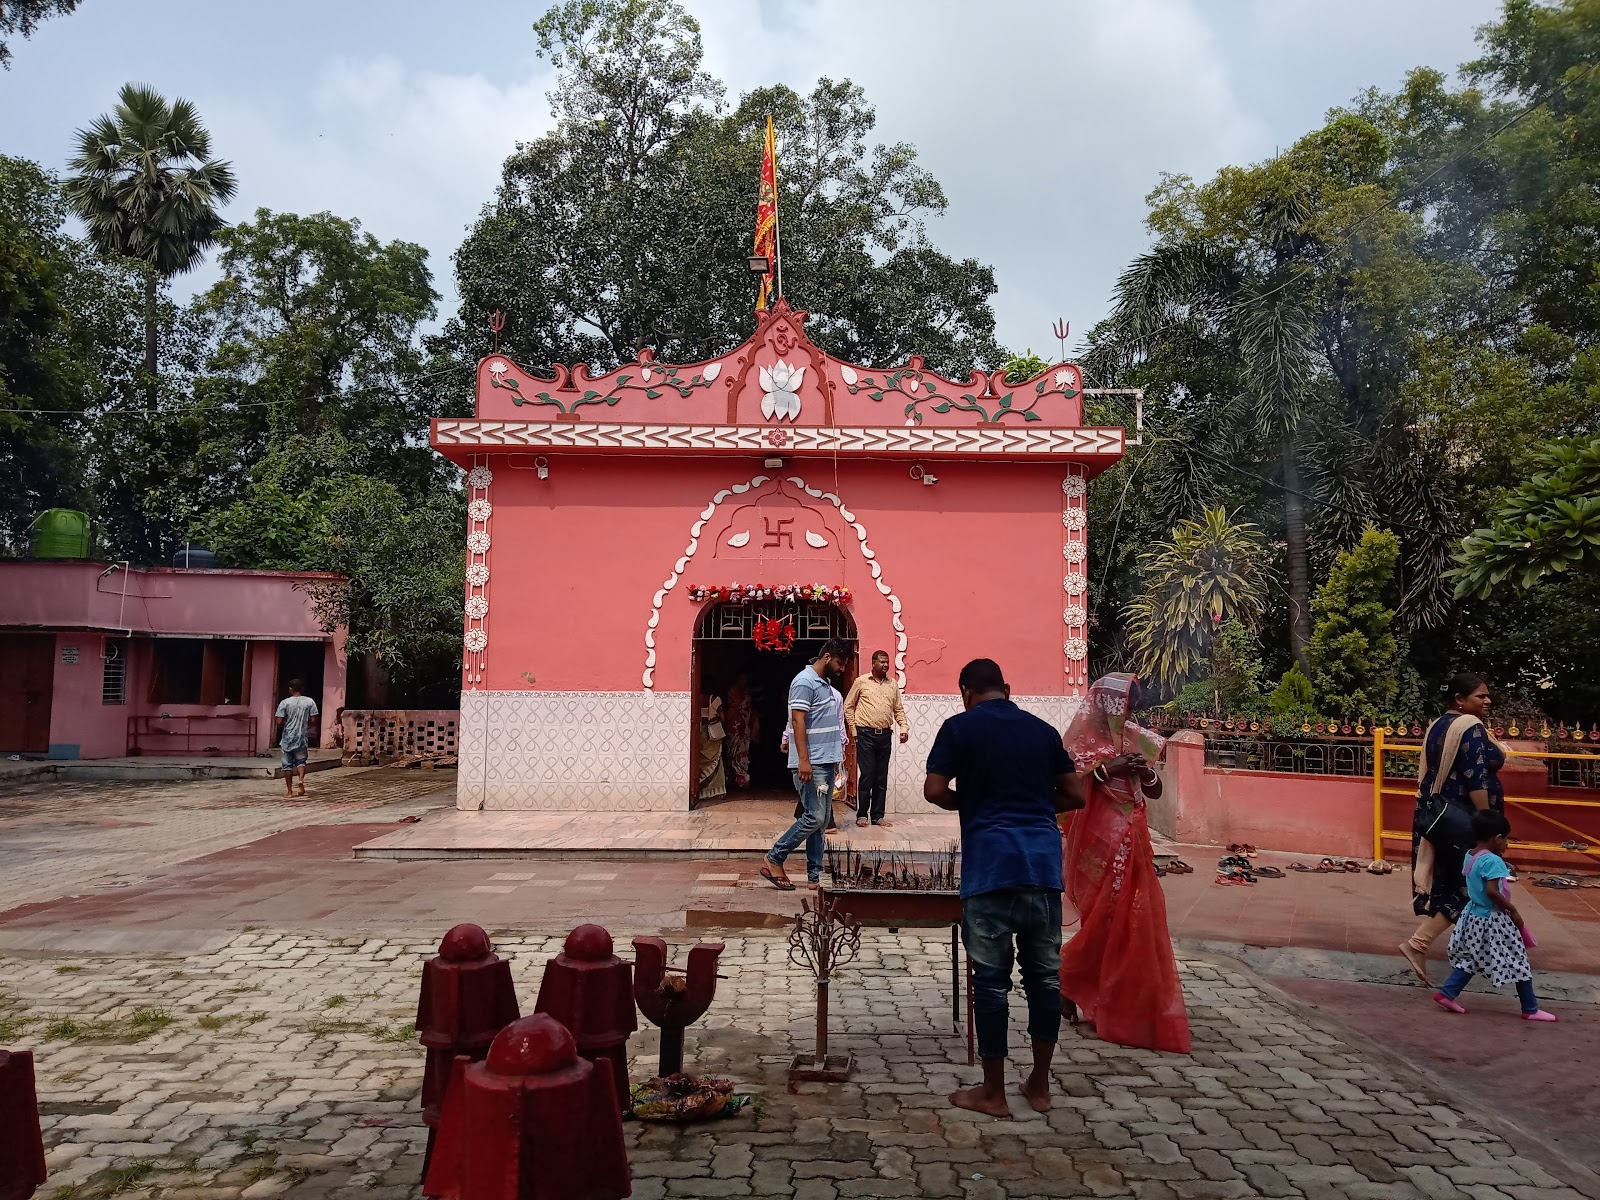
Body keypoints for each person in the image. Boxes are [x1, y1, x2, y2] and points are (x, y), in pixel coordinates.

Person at [924, 658, 1086, 1117]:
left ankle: (993, 1092)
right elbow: (1075, 795)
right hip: (1040, 868)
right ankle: (1039, 1084)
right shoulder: (1042, 731)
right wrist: (1035, 805)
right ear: (1007, 688)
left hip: (990, 868)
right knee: (1044, 978)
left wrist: (973, 803)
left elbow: (934, 790)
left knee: (991, 982)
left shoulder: (959, 727)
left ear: (965, 692)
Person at [1059, 673, 1191, 1054]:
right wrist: (1108, 768)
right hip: (1096, 845)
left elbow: (1156, 789)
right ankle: (1073, 980)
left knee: (1132, 919)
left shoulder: (1138, 737)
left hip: (1133, 839)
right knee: (1103, 917)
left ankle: (1111, 993)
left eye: (1133, 703)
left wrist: (1142, 771)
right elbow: (1068, 785)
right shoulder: (1081, 743)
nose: (1130, 710)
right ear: (1106, 704)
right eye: (1125, 703)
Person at [1401, 673, 1506, 986]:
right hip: (1464, 821)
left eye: (1488, 696)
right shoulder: (1469, 727)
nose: (1488, 701)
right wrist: (1488, 823)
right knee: (1471, 887)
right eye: (1480, 696)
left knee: (1455, 884)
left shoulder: (1438, 726)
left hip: (1442, 819)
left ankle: (1427, 947)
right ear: (1460, 700)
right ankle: (1420, 945)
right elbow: (1476, 777)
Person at [1433, 809, 1557, 1022]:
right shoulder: (1494, 861)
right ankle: (1530, 1008)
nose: (1507, 844)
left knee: (1471, 959)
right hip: (1494, 920)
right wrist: (1513, 910)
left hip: (1473, 917)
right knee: (1519, 960)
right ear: (1497, 838)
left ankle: (1446, 993)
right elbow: (1492, 890)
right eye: (1506, 839)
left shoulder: (1470, 855)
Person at [761, 639, 852, 891]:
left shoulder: (825, 684)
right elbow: (797, 721)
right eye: (840, 663)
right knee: (814, 817)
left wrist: (835, 760)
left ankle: (815, 874)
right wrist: (803, 760)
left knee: (820, 822)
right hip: (811, 762)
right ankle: (775, 857)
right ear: (827, 657)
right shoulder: (804, 681)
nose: (842, 668)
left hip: (825, 760)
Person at [844, 650, 910, 828]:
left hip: (885, 735)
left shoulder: (892, 684)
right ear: (873, 663)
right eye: (882, 662)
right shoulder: (861, 682)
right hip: (865, 735)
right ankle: (862, 814)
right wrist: (854, 729)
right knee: (868, 774)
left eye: (887, 662)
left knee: (881, 777)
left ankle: (878, 815)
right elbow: (848, 706)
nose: (886, 665)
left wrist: (904, 727)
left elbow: (898, 709)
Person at [274, 679, 320, 798]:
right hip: (302, 736)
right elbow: (314, 718)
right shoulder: (309, 701)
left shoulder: (284, 703)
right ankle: (300, 779)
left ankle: (289, 791)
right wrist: (306, 725)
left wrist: (285, 725)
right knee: (301, 762)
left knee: (287, 765)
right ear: (302, 689)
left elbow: (279, 721)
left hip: (287, 738)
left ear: (290, 689)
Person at [724, 673, 758, 789]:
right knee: (732, 751)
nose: (743, 681)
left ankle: (741, 778)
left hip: (745, 726)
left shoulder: (746, 691)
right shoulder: (733, 690)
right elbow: (734, 707)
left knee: (743, 752)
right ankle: (732, 777)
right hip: (734, 726)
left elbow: (749, 709)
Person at [698, 691, 728, 801]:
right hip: (713, 733)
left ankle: (701, 790)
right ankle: (717, 790)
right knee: (716, 760)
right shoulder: (715, 699)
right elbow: (723, 718)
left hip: (700, 732)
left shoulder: (695, 697)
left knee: (701, 762)